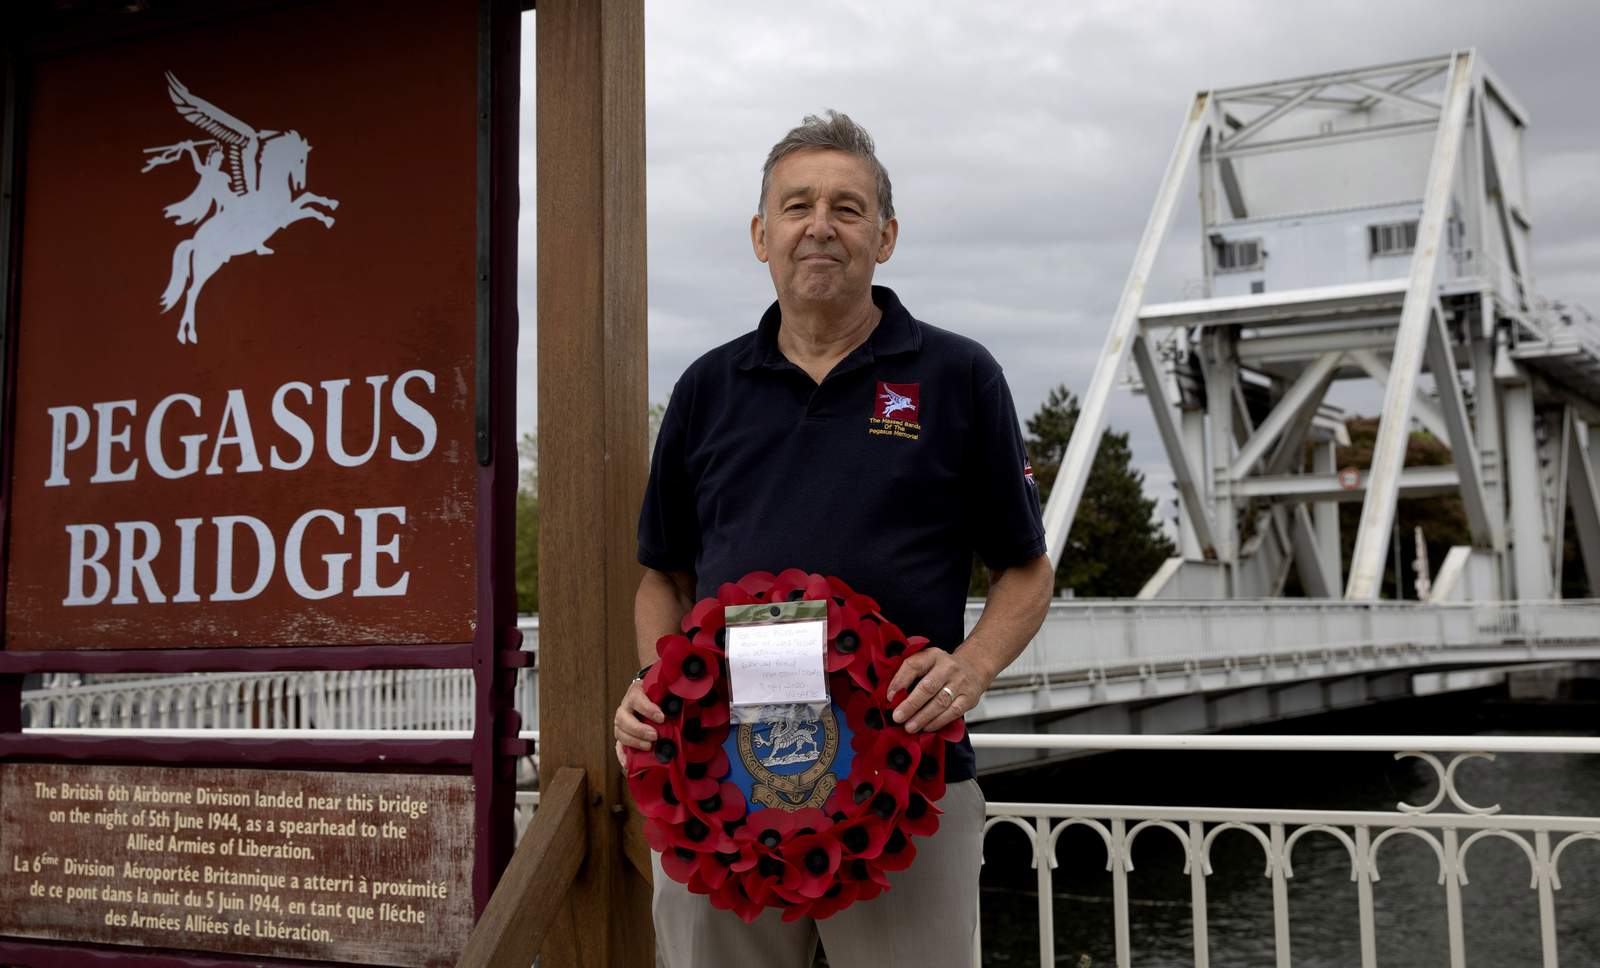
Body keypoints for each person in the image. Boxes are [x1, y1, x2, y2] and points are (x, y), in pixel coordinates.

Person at [613, 110, 1054, 968]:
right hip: (717, 789)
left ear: (885, 237)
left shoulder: (959, 375)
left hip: (906, 786)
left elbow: (1026, 571)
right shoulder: (705, 388)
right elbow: (662, 575)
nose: (821, 226)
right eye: (797, 205)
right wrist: (655, 680)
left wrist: (970, 669)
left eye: (848, 209)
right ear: (760, 235)